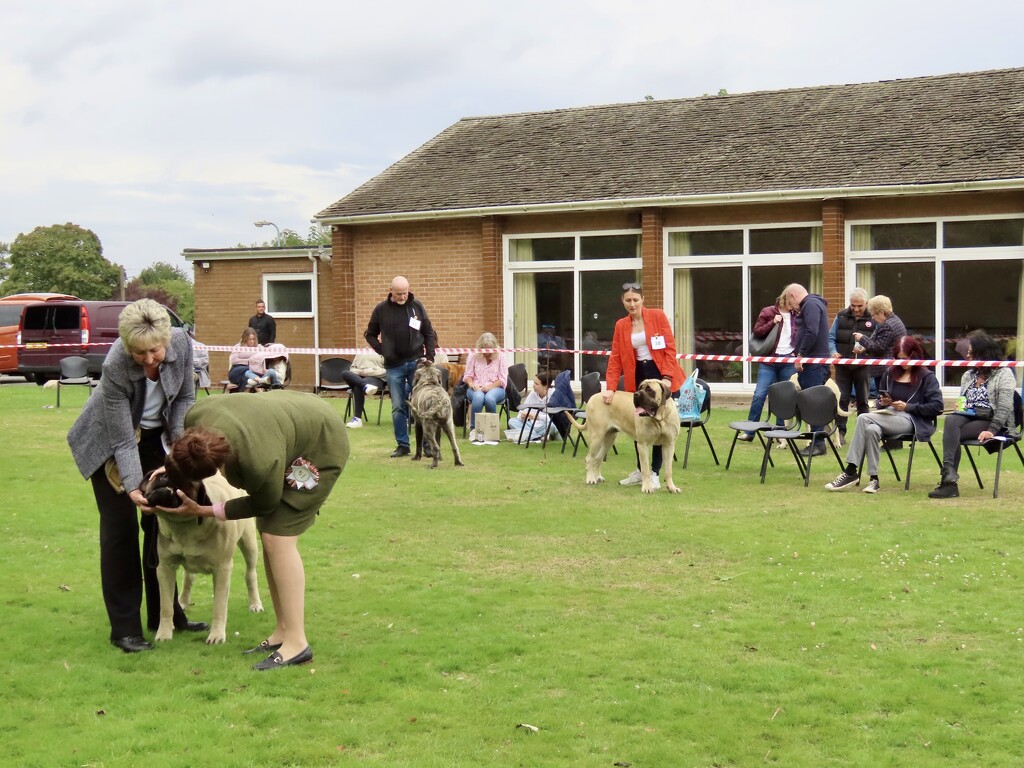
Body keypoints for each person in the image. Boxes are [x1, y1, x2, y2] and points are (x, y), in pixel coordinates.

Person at [152, 391, 349, 670]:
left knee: (278, 537)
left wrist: (204, 510)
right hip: (284, 424)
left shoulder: (259, 461)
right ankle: (282, 631)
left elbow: (262, 504)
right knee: (269, 533)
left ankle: (297, 643)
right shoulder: (195, 418)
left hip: (321, 442)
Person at [66, 298, 205, 654]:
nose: (147, 360)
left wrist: (176, 454)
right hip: (109, 444)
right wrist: (132, 487)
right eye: (139, 353)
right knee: (120, 531)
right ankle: (124, 629)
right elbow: (122, 439)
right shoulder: (115, 363)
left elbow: (185, 399)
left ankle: (165, 618)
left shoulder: (182, 343)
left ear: (167, 341)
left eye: (154, 351)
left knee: (162, 527)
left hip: (154, 439)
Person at [824, 336, 944, 494]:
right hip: (889, 415)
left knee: (863, 417)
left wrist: (908, 407)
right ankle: (874, 479)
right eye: (898, 359)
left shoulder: (927, 377)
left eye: (906, 359)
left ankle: (851, 470)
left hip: (913, 419)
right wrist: (884, 402)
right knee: (871, 429)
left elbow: (937, 407)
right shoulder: (890, 373)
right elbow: (881, 400)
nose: (902, 363)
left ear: (914, 356)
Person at [603, 282, 685, 489]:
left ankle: (655, 474)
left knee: (661, 423)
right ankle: (642, 471)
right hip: (637, 375)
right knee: (641, 421)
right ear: (622, 301)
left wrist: (666, 377)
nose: (632, 304)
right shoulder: (621, 325)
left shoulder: (657, 316)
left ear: (642, 300)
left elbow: (670, 349)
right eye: (628, 300)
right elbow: (615, 358)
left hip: (660, 376)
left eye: (635, 300)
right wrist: (611, 387)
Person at [929, 332, 1017, 499]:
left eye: (971, 353)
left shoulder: (1003, 374)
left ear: (983, 354)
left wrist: (992, 429)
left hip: (992, 420)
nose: (967, 356)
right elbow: (963, 399)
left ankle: (948, 483)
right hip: (969, 416)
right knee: (951, 419)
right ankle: (949, 476)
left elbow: (1005, 407)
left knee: (952, 434)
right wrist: (960, 405)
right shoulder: (968, 375)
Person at [364, 275, 436, 457]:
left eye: (405, 293)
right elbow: (370, 334)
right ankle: (403, 445)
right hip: (393, 366)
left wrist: (430, 356)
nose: (402, 297)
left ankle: (427, 444)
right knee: (398, 406)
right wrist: (382, 350)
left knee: (423, 404)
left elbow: (428, 331)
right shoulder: (381, 310)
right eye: (398, 294)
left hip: (417, 363)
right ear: (391, 291)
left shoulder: (417, 307)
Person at [738, 289, 797, 441]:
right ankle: (750, 431)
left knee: (784, 397)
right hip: (769, 361)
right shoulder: (768, 311)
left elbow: (801, 335)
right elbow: (757, 332)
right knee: (759, 394)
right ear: (785, 299)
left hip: (787, 360)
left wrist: (796, 353)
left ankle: (779, 432)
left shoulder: (797, 315)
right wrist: (773, 322)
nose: (793, 307)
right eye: (792, 303)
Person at [786, 283, 830, 456]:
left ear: (793, 295)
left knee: (813, 402)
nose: (793, 307)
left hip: (812, 363)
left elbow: (811, 330)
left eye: (791, 302)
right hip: (814, 362)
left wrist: (801, 355)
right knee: (811, 402)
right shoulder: (813, 304)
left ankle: (818, 443)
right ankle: (816, 440)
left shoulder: (810, 305)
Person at [828, 288, 874, 445]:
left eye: (859, 306)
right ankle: (840, 433)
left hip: (863, 366)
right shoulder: (841, 316)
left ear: (866, 304)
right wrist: (833, 352)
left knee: (863, 400)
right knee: (842, 399)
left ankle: (865, 434)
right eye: (853, 305)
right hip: (843, 365)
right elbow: (831, 338)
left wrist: (865, 349)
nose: (856, 309)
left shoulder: (873, 318)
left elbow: (876, 343)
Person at [852, 294, 907, 395]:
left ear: (881, 312)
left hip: (885, 371)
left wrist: (861, 338)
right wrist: (864, 348)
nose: (873, 318)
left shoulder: (887, 325)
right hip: (891, 369)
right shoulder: (895, 321)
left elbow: (879, 347)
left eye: (873, 315)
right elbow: (881, 343)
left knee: (884, 401)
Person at [463, 332, 508, 442]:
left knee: (489, 398)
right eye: (484, 349)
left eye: (490, 350)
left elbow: (502, 379)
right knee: (478, 397)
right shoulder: (473, 355)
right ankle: (474, 429)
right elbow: (467, 376)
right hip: (476, 387)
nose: (487, 353)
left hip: (496, 387)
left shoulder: (501, 356)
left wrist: (490, 387)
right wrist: (472, 384)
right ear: (480, 347)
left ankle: (492, 429)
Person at [505, 371, 558, 443]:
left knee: (552, 425)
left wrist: (537, 417)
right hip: (531, 424)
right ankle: (537, 437)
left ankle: (530, 435)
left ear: (545, 386)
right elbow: (522, 410)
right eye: (534, 382)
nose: (533, 385)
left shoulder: (554, 395)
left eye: (536, 384)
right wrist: (522, 416)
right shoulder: (533, 393)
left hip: (543, 425)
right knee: (512, 421)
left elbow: (554, 417)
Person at [341, 351, 387, 428]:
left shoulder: (385, 351)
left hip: (376, 378)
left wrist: (367, 372)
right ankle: (365, 386)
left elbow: (386, 371)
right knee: (344, 373)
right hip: (359, 377)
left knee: (358, 386)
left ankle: (357, 419)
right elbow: (352, 369)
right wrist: (359, 372)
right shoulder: (361, 352)